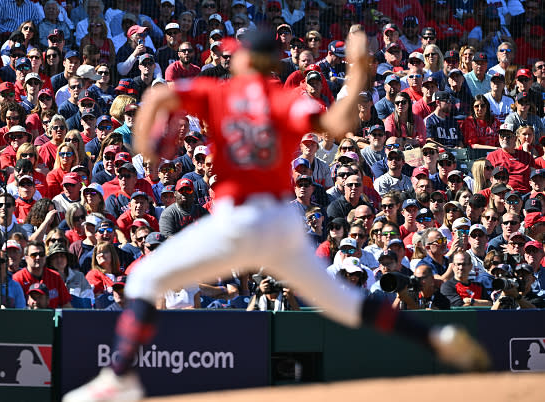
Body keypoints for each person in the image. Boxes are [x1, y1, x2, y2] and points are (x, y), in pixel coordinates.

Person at [64, 31, 489, 402]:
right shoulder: (286, 100)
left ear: (245, 59)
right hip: (283, 223)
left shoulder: (220, 93)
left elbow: (159, 94)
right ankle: (437, 338)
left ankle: (120, 378)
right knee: (345, 304)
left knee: (143, 279)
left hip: (239, 219)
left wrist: (149, 148)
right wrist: (359, 69)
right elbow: (338, 123)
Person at [12, 241, 73, 308]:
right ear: (26, 258)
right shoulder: (17, 279)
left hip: (51, 317)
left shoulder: (55, 276)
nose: (38, 257)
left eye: (41, 254)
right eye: (33, 255)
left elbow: (66, 304)